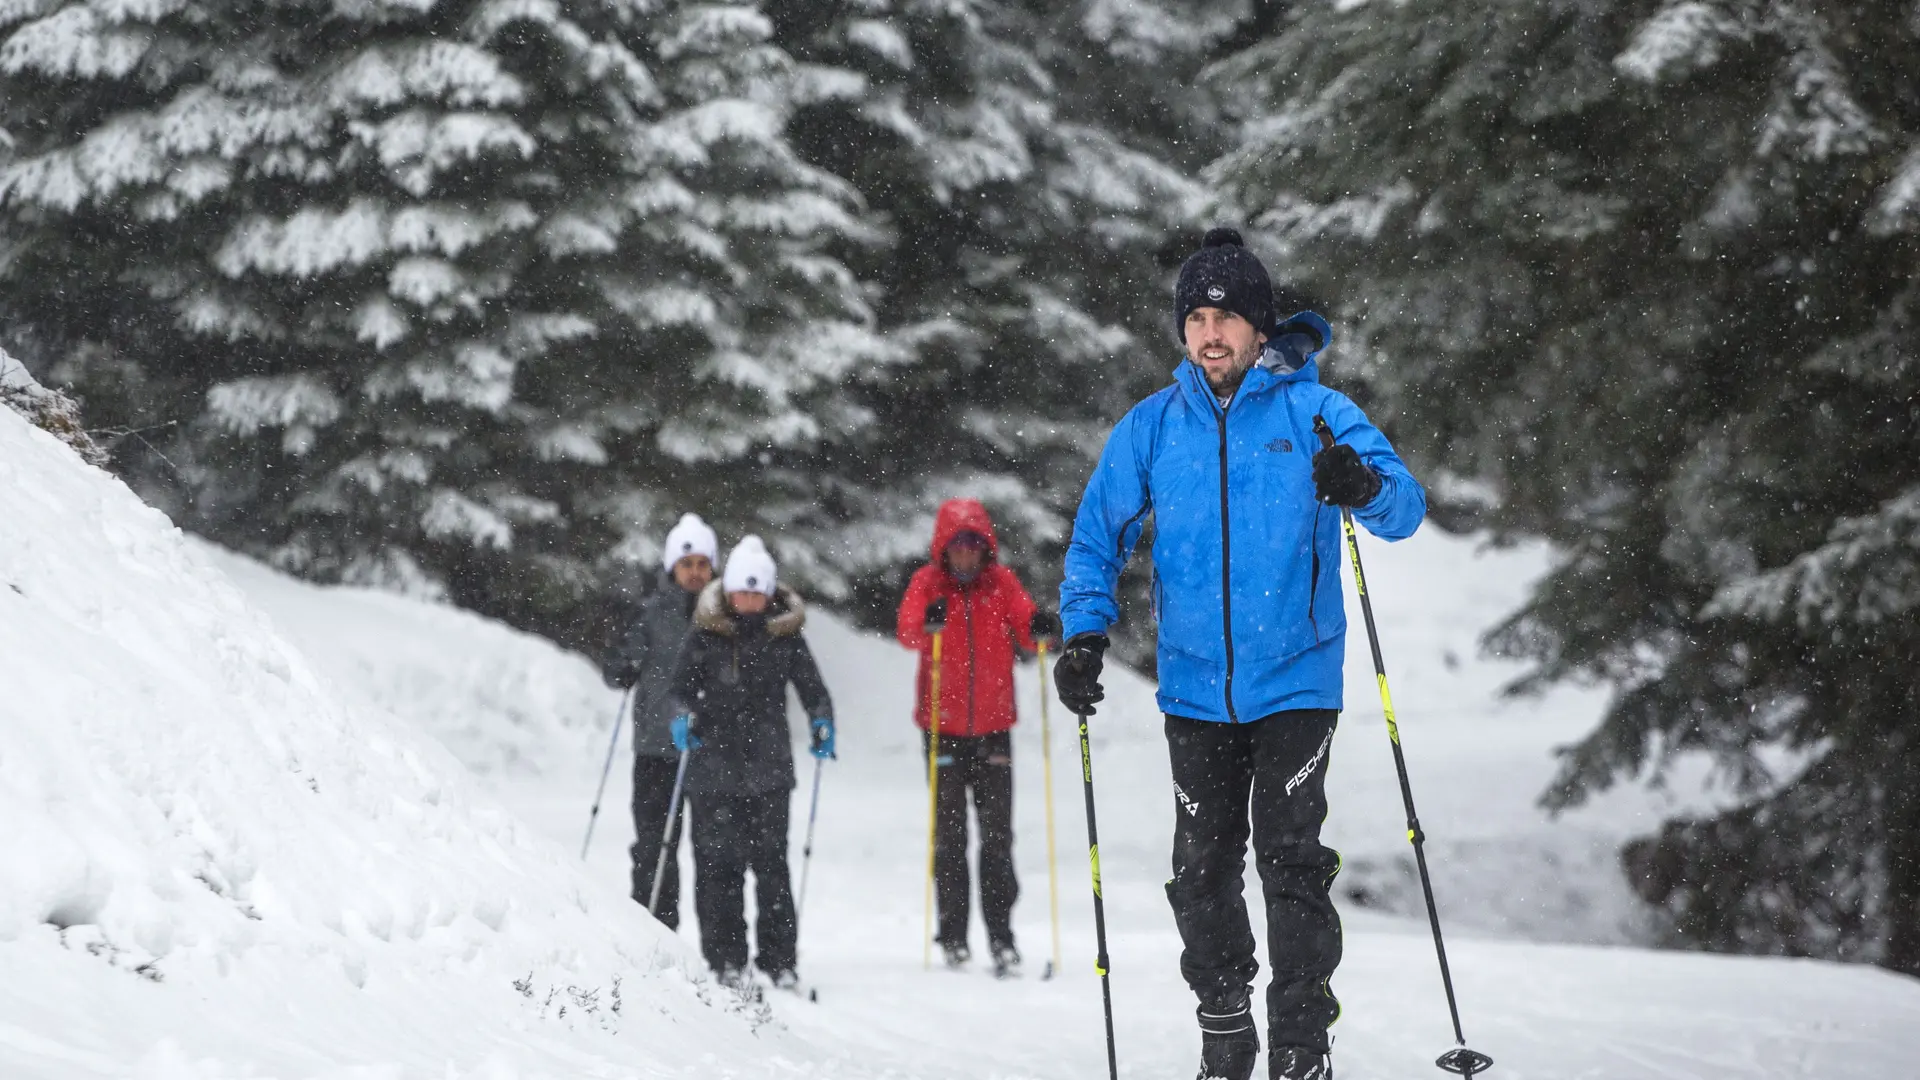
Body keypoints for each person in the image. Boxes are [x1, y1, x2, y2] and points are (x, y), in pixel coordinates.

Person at [1053, 228, 1426, 1080]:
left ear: (1261, 327)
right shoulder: (1151, 428)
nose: (1210, 332)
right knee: (1201, 867)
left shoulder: (1318, 411)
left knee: (1291, 861)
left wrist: (1364, 488)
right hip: (1193, 688)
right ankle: (1225, 1029)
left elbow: (1405, 508)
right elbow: (1094, 538)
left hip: (1297, 677)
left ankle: (1300, 1044)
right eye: (1197, 318)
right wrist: (1084, 630)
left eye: (1226, 316)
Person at [896, 498, 1061, 978]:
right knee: (949, 838)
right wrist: (930, 622)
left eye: (973, 546)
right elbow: (908, 631)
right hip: (941, 731)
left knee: (997, 838)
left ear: (984, 548)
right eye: (957, 546)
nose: (965, 555)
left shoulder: (1002, 584)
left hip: (993, 729)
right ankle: (952, 937)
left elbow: (1030, 631)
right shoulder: (927, 584)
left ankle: (1002, 937)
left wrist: (1040, 627)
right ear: (943, 550)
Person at [672, 535, 834, 991]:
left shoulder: (784, 636)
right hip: (713, 770)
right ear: (727, 593)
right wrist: (681, 716)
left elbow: (812, 688)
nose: (748, 601)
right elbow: (680, 688)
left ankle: (779, 960)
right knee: (716, 867)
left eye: (756, 592)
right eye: (741, 592)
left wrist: (822, 719)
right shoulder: (704, 635)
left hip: (768, 770)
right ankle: (724, 958)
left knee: (771, 868)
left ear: (768, 593)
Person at [604, 511, 717, 926]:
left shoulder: (721, 611)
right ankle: (653, 928)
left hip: (708, 750)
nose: (694, 573)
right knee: (654, 846)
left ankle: (717, 947)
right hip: (656, 748)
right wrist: (626, 659)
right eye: (686, 564)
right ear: (672, 567)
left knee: (713, 851)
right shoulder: (651, 612)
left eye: (702, 564)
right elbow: (615, 672)